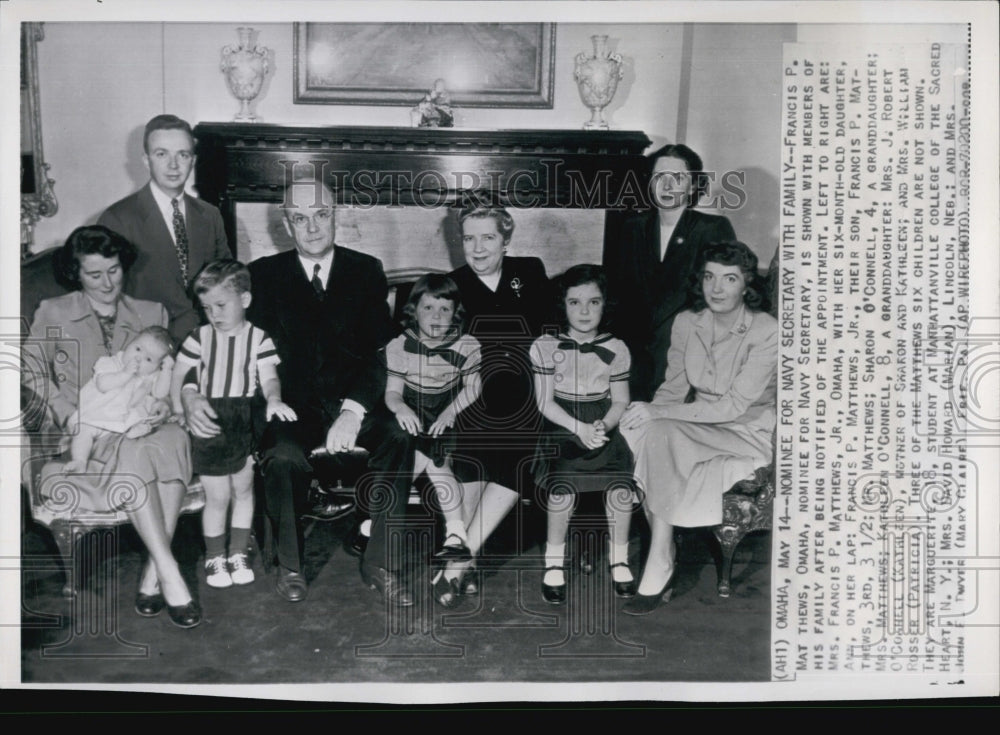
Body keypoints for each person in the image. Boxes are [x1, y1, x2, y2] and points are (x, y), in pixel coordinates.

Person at [180, 175, 400, 604]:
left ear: (336, 215)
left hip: (350, 402)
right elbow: (218, 336)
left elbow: (379, 354)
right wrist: (190, 391)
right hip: (289, 407)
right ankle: (291, 565)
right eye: (300, 218)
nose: (313, 227)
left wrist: (353, 412)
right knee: (282, 456)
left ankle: (379, 560)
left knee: (397, 437)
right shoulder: (261, 276)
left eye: (321, 215)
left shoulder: (365, 270)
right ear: (285, 223)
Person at [30, 225, 200, 628]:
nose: (107, 282)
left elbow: (165, 377)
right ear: (76, 273)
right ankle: (168, 572)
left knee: (174, 436)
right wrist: (67, 411)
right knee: (139, 450)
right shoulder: (53, 312)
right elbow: (32, 372)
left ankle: (155, 571)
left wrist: (161, 404)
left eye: (114, 269)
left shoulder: (150, 313)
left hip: (141, 422)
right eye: (94, 274)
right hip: (90, 429)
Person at [619, 241, 778, 615]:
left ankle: (661, 556)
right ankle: (663, 549)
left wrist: (663, 416)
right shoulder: (688, 321)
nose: (716, 288)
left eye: (729, 279)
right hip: (696, 423)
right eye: (709, 277)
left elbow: (734, 406)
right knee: (641, 429)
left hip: (744, 430)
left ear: (746, 285)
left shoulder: (766, 330)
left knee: (661, 432)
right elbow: (674, 388)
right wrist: (649, 412)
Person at [436, 205, 552, 605]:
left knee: (511, 449)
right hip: (472, 391)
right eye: (469, 238)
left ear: (506, 240)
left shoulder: (529, 272)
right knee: (471, 456)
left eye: (488, 237)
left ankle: (455, 566)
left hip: (528, 389)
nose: (478, 247)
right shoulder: (451, 285)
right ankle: (465, 564)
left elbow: (549, 331)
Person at [172, 259, 296, 589]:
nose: (214, 313)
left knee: (243, 489)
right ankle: (215, 555)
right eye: (207, 307)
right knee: (217, 496)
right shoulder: (199, 337)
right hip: (210, 420)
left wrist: (273, 399)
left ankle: (237, 552)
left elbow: (269, 378)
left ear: (245, 300)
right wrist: (183, 411)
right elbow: (179, 377)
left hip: (244, 419)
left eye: (221, 305)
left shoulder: (259, 339)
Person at [529, 265, 636, 605]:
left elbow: (621, 400)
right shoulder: (545, 346)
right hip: (562, 425)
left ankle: (619, 558)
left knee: (621, 489)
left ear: (606, 305)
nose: (585, 311)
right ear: (563, 306)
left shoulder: (616, 347)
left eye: (594, 302)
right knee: (562, 490)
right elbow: (544, 402)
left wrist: (603, 426)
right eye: (575, 303)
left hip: (601, 424)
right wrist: (579, 429)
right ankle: (554, 563)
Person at [375, 274, 482, 606]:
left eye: (445, 309)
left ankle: (377, 521)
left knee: (439, 456)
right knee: (420, 451)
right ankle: (456, 532)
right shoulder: (400, 345)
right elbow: (392, 393)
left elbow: (473, 387)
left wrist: (451, 412)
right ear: (413, 310)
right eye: (428, 308)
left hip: (450, 409)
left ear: (455, 313)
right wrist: (401, 409)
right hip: (414, 410)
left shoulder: (467, 345)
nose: (436, 317)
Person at [603, 143, 736, 402]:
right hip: (634, 351)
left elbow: (723, 299)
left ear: (694, 185)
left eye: (678, 178)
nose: (667, 185)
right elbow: (617, 292)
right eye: (659, 177)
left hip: (688, 352)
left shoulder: (713, 228)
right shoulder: (631, 227)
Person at [98, 114, 230, 343]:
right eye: (162, 154)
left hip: (208, 342)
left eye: (183, 154)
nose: (173, 165)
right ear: (146, 160)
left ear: (193, 160)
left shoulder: (210, 215)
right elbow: (106, 298)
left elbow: (226, 282)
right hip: (146, 348)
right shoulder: (117, 219)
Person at [64, 326, 175, 474]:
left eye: (149, 359)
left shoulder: (149, 376)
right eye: (137, 349)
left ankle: (136, 430)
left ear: (156, 366)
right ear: (130, 343)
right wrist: (125, 373)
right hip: (97, 415)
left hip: (124, 421)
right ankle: (79, 460)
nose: (139, 358)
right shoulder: (109, 363)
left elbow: (160, 393)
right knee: (83, 431)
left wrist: (166, 370)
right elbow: (103, 385)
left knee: (144, 417)